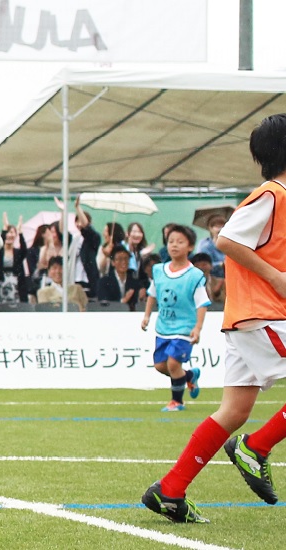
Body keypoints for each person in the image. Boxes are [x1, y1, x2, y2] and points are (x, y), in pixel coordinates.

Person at [141, 113, 286, 523]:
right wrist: (276, 277)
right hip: (266, 316)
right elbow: (226, 239)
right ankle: (254, 448)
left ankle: (170, 491)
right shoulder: (273, 194)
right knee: (240, 420)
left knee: (234, 411)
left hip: (250, 319)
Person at [140, 225, 209, 412]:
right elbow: (152, 294)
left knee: (173, 363)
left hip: (184, 328)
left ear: (190, 246)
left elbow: (202, 303)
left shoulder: (194, 276)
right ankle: (189, 376)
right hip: (164, 327)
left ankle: (177, 402)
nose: (174, 245)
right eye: (171, 241)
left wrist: (198, 327)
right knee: (160, 365)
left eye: (180, 242)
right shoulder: (159, 271)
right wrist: (147, 316)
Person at [0, 213, 29, 304]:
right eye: (8, 232)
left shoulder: (18, 252)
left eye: (12, 232)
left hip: (16, 283)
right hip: (2, 282)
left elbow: (24, 250)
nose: (10, 235)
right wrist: (4, 229)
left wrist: (20, 233)